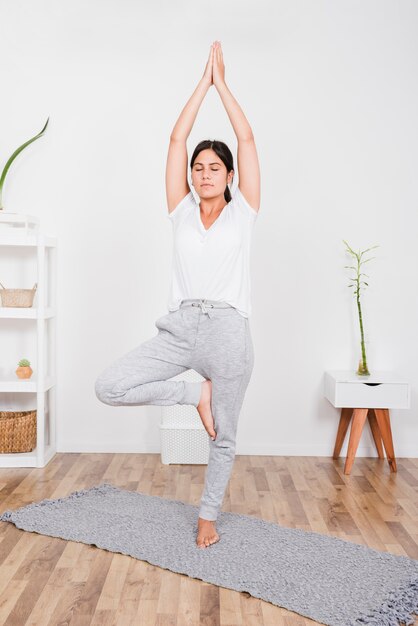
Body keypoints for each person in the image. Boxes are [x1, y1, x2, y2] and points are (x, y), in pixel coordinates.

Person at [95, 40, 261, 548]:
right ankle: (196, 394)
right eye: (198, 168)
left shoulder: (244, 212)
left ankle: (208, 515)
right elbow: (175, 139)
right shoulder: (181, 210)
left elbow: (247, 139)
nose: (203, 174)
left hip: (230, 330)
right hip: (181, 327)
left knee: (224, 435)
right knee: (110, 386)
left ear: (230, 176)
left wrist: (223, 86)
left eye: (214, 168)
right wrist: (201, 83)